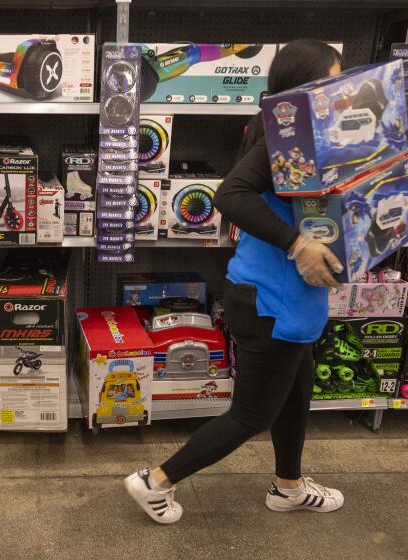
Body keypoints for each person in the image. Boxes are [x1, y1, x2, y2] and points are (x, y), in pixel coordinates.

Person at [125, 39, 348, 524]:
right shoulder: (278, 139)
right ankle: (154, 482)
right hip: (273, 302)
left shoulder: (301, 139)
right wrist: (298, 245)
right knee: (252, 415)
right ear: (304, 84)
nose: (339, 87)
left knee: (297, 394)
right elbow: (231, 195)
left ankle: (288, 487)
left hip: (289, 302)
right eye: (332, 77)